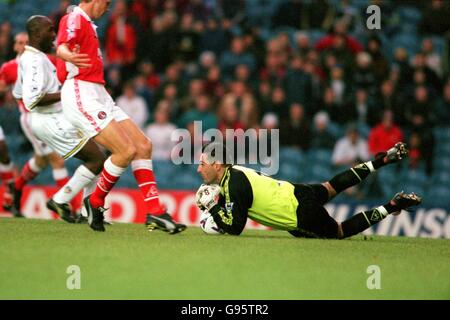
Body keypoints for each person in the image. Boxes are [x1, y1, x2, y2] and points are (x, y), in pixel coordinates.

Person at [56, 0, 185, 233]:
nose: (108, 8)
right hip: (80, 91)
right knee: (125, 151)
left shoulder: (90, 25)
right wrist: (69, 57)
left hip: (98, 91)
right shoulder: (75, 17)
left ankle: (154, 211)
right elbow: (62, 46)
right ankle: (95, 202)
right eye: (106, 2)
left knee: (143, 146)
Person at [195, 142, 422, 238]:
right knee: (331, 186)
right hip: (295, 190)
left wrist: (214, 207)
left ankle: (392, 205)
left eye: (202, 164)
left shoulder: (233, 185)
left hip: (299, 214)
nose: (198, 169)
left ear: (217, 165)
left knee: (339, 231)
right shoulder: (234, 174)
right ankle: (380, 161)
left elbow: (235, 228)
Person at [13, 15, 107, 223]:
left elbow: (19, 93)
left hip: (55, 117)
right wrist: (66, 92)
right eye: (50, 30)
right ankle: (60, 199)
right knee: (97, 159)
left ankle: (86, 212)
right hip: (50, 120)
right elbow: (32, 100)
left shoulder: (31, 58)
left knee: (98, 157)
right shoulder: (34, 61)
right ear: (37, 34)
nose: (54, 34)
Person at [0, 31, 83, 219]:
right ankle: (73, 209)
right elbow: (2, 87)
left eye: (25, 42)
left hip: (51, 116)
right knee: (57, 160)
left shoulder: (44, 60)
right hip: (31, 118)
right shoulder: (9, 68)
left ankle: (15, 187)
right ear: (14, 46)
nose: (22, 45)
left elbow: (62, 71)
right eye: (19, 42)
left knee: (40, 160)